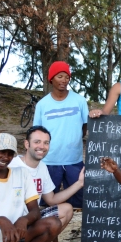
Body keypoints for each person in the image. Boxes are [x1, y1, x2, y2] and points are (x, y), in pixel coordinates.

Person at [9, 125, 84, 242]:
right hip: (13, 224)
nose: (42, 146)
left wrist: (79, 183)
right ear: (27, 144)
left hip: (32, 220)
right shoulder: (12, 166)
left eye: (46, 143)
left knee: (67, 208)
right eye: (37, 142)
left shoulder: (42, 167)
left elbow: (52, 200)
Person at [33, 61, 88, 208]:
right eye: (60, 76)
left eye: (67, 77)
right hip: (49, 161)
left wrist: (73, 138)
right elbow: (36, 133)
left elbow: (85, 126)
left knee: (80, 202)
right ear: (51, 79)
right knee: (45, 203)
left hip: (74, 160)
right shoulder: (42, 105)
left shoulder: (80, 101)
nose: (64, 80)